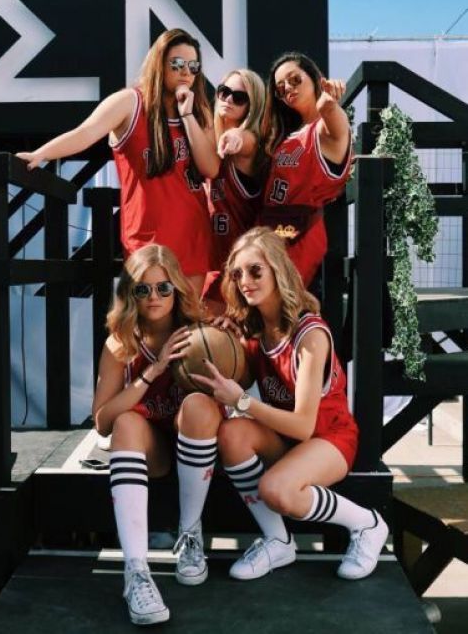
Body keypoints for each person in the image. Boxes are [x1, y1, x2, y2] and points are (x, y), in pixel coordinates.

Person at [191, 227, 388, 582]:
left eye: (255, 271)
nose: (245, 281)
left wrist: (242, 401)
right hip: (291, 442)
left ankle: (367, 524)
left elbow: (303, 425)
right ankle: (277, 540)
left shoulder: (310, 334)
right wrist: (223, 341)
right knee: (232, 434)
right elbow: (238, 383)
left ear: (278, 271)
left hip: (330, 438)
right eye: (237, 274)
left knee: (276, 490)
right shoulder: (255, 331)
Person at [17, 28, 219, 296]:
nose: (186, 72)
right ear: (160, 63)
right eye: (177, 64)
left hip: (193, 235)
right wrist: (42, 153)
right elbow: (85, 133)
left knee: (188, 330)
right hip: (148, 240)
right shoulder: (130, 102)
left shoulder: (199, 111)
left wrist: (188, 115)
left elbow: (211, 168)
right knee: (150, 324)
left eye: (193, 66)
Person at [92, 244, 223, 625]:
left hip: (193, 442)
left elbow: (239, 373)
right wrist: (154, 370)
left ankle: (190, 534)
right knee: (127, 422)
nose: (154, 297)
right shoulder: (121, 342)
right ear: (129, 293)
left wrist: (232, 337)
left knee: (199, 406)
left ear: (177, 289)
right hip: (150, 450)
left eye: (163, 288)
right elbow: (102, 420)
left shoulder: (199, 330)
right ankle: (136, 572)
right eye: (143, 289)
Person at [259, 53, 352, 287]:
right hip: (272, 231)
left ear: (315, 80)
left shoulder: (322, 129)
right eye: (281, 88)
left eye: (295, 80)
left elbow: (336, 124)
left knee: (285, 309)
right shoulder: (288, 133)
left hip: (301, 235)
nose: (288, 88)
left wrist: (328, 104)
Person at [202, 68, 265, 311]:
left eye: (239, 97)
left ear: (252, 107)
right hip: (208, 264)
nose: (228, 100)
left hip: (237, 273)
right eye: (224, 92)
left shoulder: (248, 145)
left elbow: (247, 140)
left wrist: (237, 137)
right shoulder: (209, 137)